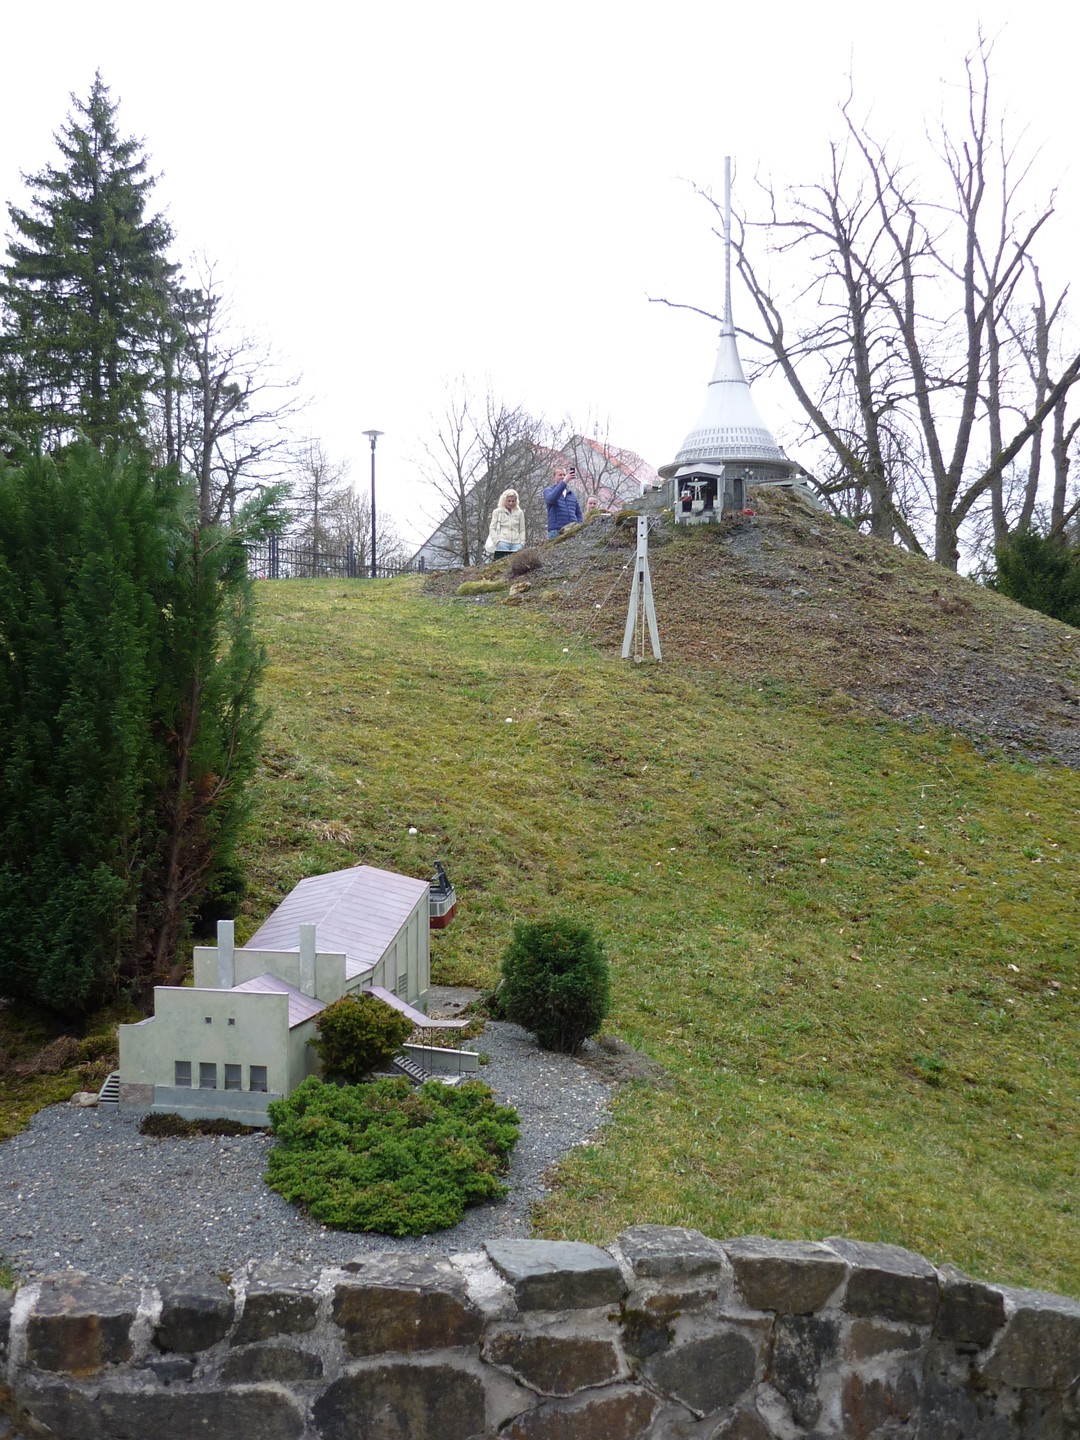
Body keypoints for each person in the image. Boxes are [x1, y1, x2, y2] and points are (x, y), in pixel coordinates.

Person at [484, 488, 526, 559]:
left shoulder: (520, 513)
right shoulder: (497, 512)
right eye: (509, 501)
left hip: (517, 543)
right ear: (504, 500)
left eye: (513, 501)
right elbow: (492, 528)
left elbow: (522, 529)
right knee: (504, 562)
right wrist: (497, 542)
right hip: (502, 541)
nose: (511, 503)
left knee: (517, 562)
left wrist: (522, 543)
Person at [544, 465, 584, 537]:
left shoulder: (571, 494)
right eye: (560, 475)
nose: (563, 477)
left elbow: (578, 513)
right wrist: (564, 481)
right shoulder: (548, 491)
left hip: (572, 530)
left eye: (564, 475)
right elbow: (551, 499)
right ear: (553, 477)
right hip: (556, 530)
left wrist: (579, 526)